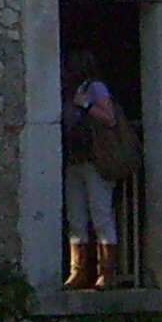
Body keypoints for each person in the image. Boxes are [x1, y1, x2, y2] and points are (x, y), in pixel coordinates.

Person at [61, 66, 140, 290]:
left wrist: (85, 104)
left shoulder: (94, 88)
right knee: (75, 216)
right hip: (74, 160)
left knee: (100, 214)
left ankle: (106, 272)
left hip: (95, 161)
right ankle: (78, 272)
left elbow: (110, 118)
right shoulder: (68, 92)